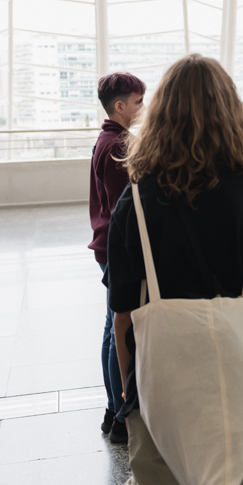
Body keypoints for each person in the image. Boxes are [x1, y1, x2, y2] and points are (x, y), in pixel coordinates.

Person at [107, 54, 243, 485]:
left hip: (160, 385)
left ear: (160, 115)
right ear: (230, 113)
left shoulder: (135, 201)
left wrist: (131, 397)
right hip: (238, 380)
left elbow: (123, 317)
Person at [89, 72, 146, 445]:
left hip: (107, 245)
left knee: (113, 327)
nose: (143, 107)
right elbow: (124, 207)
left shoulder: (107, 139)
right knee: (119, 328)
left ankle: (113, 410)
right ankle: (121, 413)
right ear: (121, 106)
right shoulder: (119, 146)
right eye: (138, 102)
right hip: (118, 248)